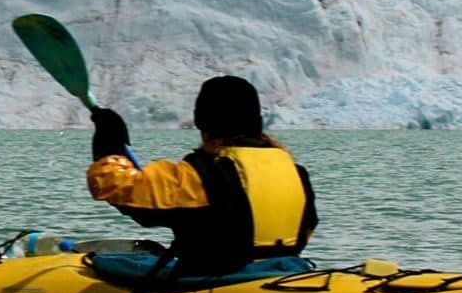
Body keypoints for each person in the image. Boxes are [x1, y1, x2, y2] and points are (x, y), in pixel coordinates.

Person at [85, 75, 316, 276]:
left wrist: (110, 142)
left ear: (204, 127)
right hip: (282, 272)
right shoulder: (296, 173)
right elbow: (307, 228)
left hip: (213, 283)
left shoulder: (202, 175)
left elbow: (112, 184)